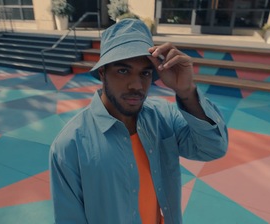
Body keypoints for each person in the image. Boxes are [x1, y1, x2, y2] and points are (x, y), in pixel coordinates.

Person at [49, 19, 228, 224]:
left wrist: (186, 91)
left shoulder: (163, 116)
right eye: (123, 70)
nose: (136, 85)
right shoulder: (70, 145)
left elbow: (213, 148)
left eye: (145, 73)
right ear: (102, 73)